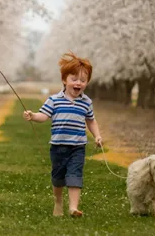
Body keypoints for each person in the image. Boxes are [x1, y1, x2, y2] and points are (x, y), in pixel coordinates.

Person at [23, 52, 102, 217]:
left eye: (83, 80)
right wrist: (33, 116)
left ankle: (73, 207)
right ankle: (58, 201)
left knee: (75, 175)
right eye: (74, 79)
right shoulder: (54, 100)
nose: (78, 83)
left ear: (87, 83)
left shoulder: (86, 102)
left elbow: (91, 121)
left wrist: (97, 136)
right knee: (58, 178)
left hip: (78, 147)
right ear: (65, 80)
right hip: (58, 146)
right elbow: (43, 116)